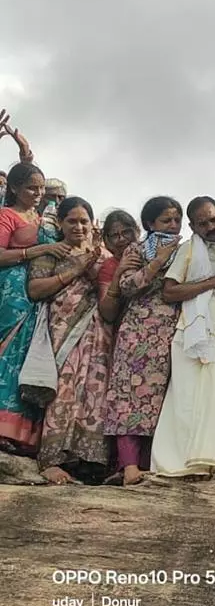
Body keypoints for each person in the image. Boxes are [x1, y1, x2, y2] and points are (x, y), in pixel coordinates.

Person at [150, 197, 215, 478]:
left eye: (214, 219)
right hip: (191, 331)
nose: (210, 226)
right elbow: (169, 291)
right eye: (202, 223)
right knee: (186, 399)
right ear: (193, 226)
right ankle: (174, 465)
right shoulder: (189, 249)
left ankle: (206, 463)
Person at [25, 197, 113, 484]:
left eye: (84, 221)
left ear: (92, 224)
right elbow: (36, 289)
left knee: (94, 391)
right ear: (60, 223)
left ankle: (89, 460)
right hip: (62, 331)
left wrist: (92, 262)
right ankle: (51, 459)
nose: (78, 226)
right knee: (62, 389)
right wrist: (73, 269)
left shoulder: (104, 256)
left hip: (97, 335)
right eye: (72, 221)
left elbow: (110, 293)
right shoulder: (52, 253)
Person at [101, 196, 184, 485]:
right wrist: (158, 262)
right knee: (130, 399)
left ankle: (150, 462)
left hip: (170, 331)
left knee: (157, 402)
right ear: (149, 223)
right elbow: (127, 287)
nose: (173, 225)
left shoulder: (185, 249)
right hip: (138, 331)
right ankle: (129, 467)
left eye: (177, 219)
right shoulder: (138, 249)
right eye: (166, 220)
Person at [0, 163, 59, 455]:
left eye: (40, 187)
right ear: (13, 189)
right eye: (30, 188)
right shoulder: (6, 215)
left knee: (25, 356)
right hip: (11, 291)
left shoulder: (40, 217)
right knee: (7, 355)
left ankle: (22, 433)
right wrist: (37, 251)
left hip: (37, 291)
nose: (37, 193)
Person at [96, 210, 141, 325]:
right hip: (128, 328)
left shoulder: (153, 253)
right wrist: (118, 273)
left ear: (137, 231)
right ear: (107, 240)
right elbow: (107, 314)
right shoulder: (109, 265)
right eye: (115, 235)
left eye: (126, 232)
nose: (121, 239)